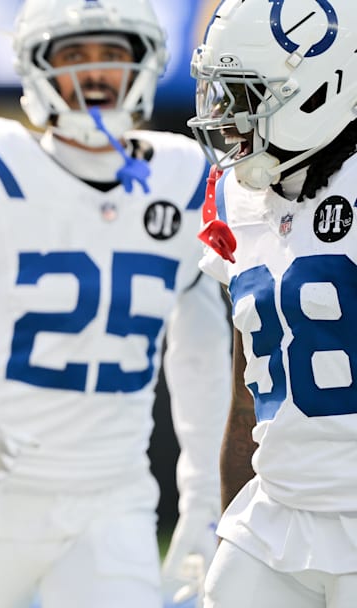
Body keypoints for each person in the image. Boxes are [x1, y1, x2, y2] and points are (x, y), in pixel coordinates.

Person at [0, 1, 232, 607]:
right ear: (34, 69)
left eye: (112, 53)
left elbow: (204, 359)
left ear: (146, 63)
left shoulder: (183, 175)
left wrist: (204, 498)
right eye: (74, 55)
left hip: (114, 502)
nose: (95, 73)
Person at [188, 1, 357, 607]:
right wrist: (233, 505)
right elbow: (247, 396)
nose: (226, 118)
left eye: (245, 96)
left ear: (321, 90)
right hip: (276, 510)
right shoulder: (238, 196)